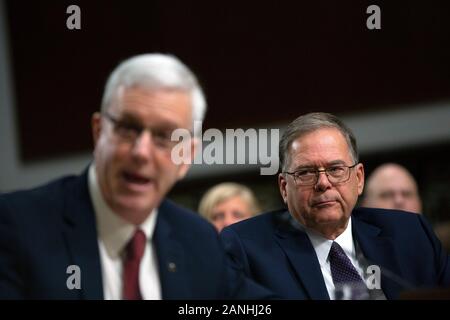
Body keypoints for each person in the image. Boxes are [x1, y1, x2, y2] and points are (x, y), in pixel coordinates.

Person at [0, 54, 273, 300]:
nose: (141, 152)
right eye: (128, 128)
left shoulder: (197, 240)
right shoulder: (16, 226)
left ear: (187, 157)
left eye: (164, 136)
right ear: (98, 132)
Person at [221, 112, 450, 300]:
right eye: (306, 172)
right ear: (284, 187)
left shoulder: (411, 234)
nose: (323, 183)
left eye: (335, 169)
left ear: (358, 179)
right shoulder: (245, 249)